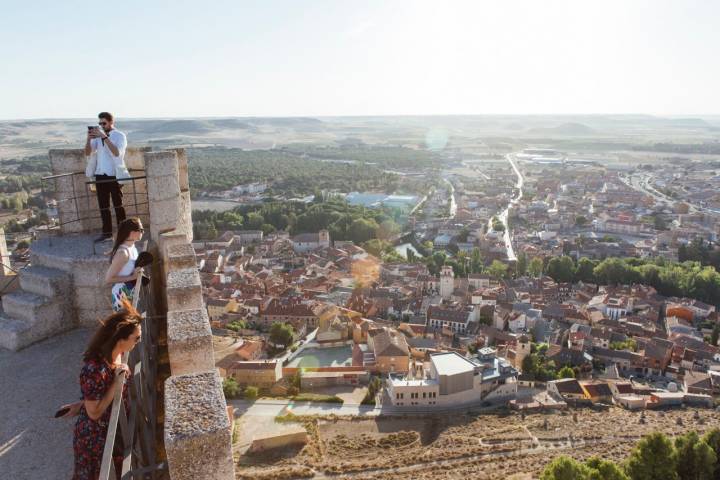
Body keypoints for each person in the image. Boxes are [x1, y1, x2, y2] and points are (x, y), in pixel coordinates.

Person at [69, 302, 141, 479]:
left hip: (113, 430)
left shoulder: (115, 355)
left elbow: (96, 396)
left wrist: (80, 405)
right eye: (136, 338)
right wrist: (117, 384)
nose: (139, 342)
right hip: (96, 440)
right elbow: (94, 413)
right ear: (120, 339)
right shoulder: (94, 368)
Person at [84, 112, 128, 242]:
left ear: (111, 122)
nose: (102, 125)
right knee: (103, 206)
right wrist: (88, 139)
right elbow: (87, 152)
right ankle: (107, 233)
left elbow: (117, 153)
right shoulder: (97, 138)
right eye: (100, 124)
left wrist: (104, 137)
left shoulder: (120, 136)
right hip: (100, 175)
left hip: (114, 175)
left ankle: (123, 233)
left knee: (118, 205)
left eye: (104, 123)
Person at [105, 218, 143, 311]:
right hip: (122, 298)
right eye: (141, 230)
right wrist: (133, 277)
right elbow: (108, 279)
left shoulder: (132, 246)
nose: (143, 232)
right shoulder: (123, 253)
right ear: (132, 232)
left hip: (130, 294)